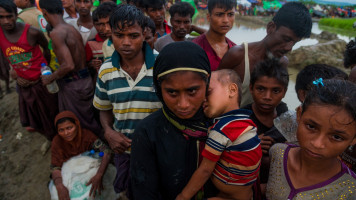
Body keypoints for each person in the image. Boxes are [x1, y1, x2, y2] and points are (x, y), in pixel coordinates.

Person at [130, 41, 218, 199]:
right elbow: (144, 192)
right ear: (159, 88)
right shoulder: (147, 133)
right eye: (172, 92)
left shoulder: (224, 125)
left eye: (192, 91)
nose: (183, 104)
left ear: (207, 83)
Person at [93, 5, 161, 197]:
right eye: (119, 35)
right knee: (127, 191)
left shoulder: (162, 66)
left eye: (133, 36)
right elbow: (104, 108)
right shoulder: (105, 70)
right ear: (111, 35)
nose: (126, 43)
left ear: (144, 34)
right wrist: (108, 132)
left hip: (157, 151)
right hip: (124, 151)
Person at [176, 69, 262, 200]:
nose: (203, 99)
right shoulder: (246, 121)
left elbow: (205, 171)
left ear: (232, 90)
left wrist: (183, 196)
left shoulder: (223, 129)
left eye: (208, 92)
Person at [266, 79, 356, 200]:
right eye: (311, 127)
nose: (317, 144)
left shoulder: (350, 189)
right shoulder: (277, 154)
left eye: (336, 137)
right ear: (299, 114)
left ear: (354, 139)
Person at [219, 2, 312, 107]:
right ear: (270, 27)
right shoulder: (237, 55)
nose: (289, 48)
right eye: (286, 39)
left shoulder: (282, 63)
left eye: (294, 43)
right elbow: (214, 92)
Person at [39, 0, 102, 137]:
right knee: (90, 118)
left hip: (74, 84)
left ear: (44, 13)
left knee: (84, 124)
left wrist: (50, 77)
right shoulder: (71, 28)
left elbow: (68, 65)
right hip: (84, 80)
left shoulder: (56, 33)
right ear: (62, 11)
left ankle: (103, 149)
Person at [0, 0, 58, 140]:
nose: (6, 21)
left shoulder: (32, 32)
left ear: (16, 14)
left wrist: (44, 69)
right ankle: (51, 140)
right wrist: (14, 72)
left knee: (53, 114)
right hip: (24, 84)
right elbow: (6, 55)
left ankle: (59, 141)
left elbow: (47, 49)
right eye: (1, 17)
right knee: (35, 120)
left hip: (42, 83)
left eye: (9, 16)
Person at [242, 59, 288, 193]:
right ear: (251, 88)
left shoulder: (284, 113)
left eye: (275, 91)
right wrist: (250, 145)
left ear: (284, 92)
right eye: (261, 89)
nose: (267, 97)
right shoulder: (243, 120)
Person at [51, 111, 111, 200]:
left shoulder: (87, 136)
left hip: (89, 169)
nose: (66, 133)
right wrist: (60, 186)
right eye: (61, 130)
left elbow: (107, 151)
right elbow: (55, 167)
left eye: (69, 128)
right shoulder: (57, 141)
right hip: (69, 173)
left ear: (77, 124)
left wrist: (99, 174)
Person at [192, 0, 236, 72]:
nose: (226, 20)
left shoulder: (235, 49)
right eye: (219, 14)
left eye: (230, 14)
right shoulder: (195, 47)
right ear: (208, 17)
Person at [85, 2, 116, 85]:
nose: (106, 29)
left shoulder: (127, 42)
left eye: (109, 23)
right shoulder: (106, 44)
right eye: (102, 24)